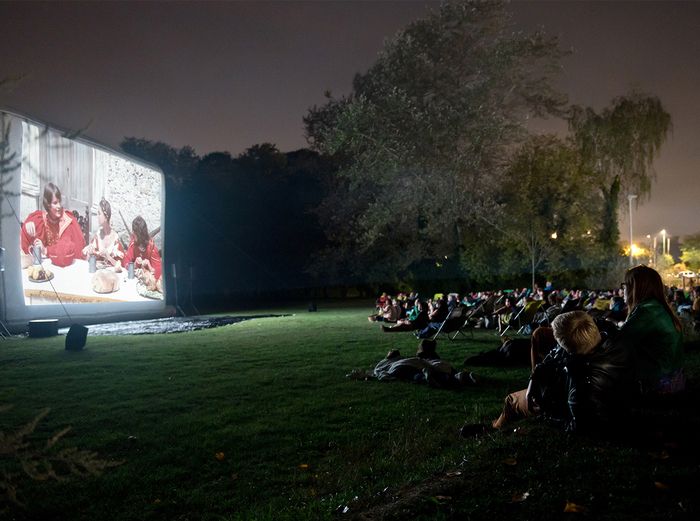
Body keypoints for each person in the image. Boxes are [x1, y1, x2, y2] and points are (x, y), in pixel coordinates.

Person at [617, 265, 685, 395]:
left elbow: (618, 341)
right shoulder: (656, 307)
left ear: (635, 287)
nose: (622, 289)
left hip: (658, 384)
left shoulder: (647, 311)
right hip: (674, 379)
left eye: (625, 285)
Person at [20, 182, 86, 267]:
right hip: (48, 267)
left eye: (59, 202)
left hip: (66, 268)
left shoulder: (67, 221)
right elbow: (25, 242)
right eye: (55, 203)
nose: (59, 206)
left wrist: (46, 250)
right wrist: (27, 226)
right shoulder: (41, 219)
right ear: (48, 205)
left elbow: (65, 251)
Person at [82, 198, 125, 270]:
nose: (97, 216)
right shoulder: (97, 235)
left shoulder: (115, 238)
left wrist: (108, 257)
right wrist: (89, 253)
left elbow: (121, 266)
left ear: (106, 216)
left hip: (111, 275)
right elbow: (88, 260)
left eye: (99, 213)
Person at [123, 216, 163, 291]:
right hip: (135, 283)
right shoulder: (133, 243)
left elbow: (159, 271)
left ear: (139, 234)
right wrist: (135, 264)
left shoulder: (151, 247)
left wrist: (149, 266)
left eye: (134, 232)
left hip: (149, 285)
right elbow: (125, 261)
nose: (132, 233)